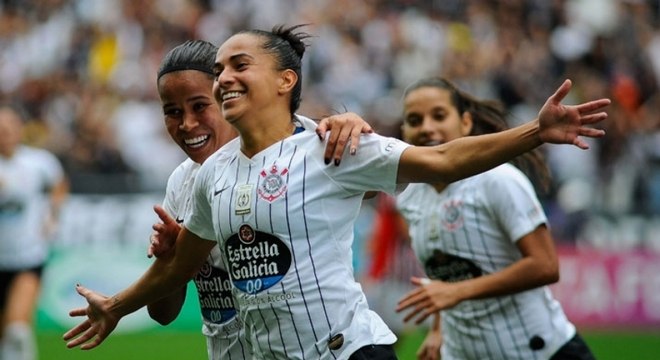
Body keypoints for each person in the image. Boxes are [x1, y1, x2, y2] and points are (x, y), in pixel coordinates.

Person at [63, 24, 609, 360]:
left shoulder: (333, 146)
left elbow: (442, 159)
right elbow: (179, 271)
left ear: (285, 80)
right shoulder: (206, 178)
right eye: (220, 68)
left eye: (237, 66)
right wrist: (116, 305)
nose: (224, 77)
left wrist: (536, 132)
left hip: (349, 351)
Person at [145, 39, 377, 360]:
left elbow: (370, 183)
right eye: (172, 112)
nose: (187, 124)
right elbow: (163, 313)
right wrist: (169, 258)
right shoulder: (183, 182)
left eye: (199, 106)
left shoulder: (304, 142)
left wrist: (352, 126)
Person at [394, 77, 596, 360]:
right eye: (414, 120)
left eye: (439, 116)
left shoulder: (499, 181)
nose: (427, 127)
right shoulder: (407, 198)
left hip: (540, 350)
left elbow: (546, 265)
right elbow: (445, 271)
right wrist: (438, 329)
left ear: (465, 123)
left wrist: (457, 292)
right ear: (404, 130)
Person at [0, 104, 69, 360]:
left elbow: (59, 185)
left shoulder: (39, 162)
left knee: (17, 330)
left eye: (8, 128)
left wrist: (53, 215)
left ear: (19, 130)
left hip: (27, 257)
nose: (4, 134)